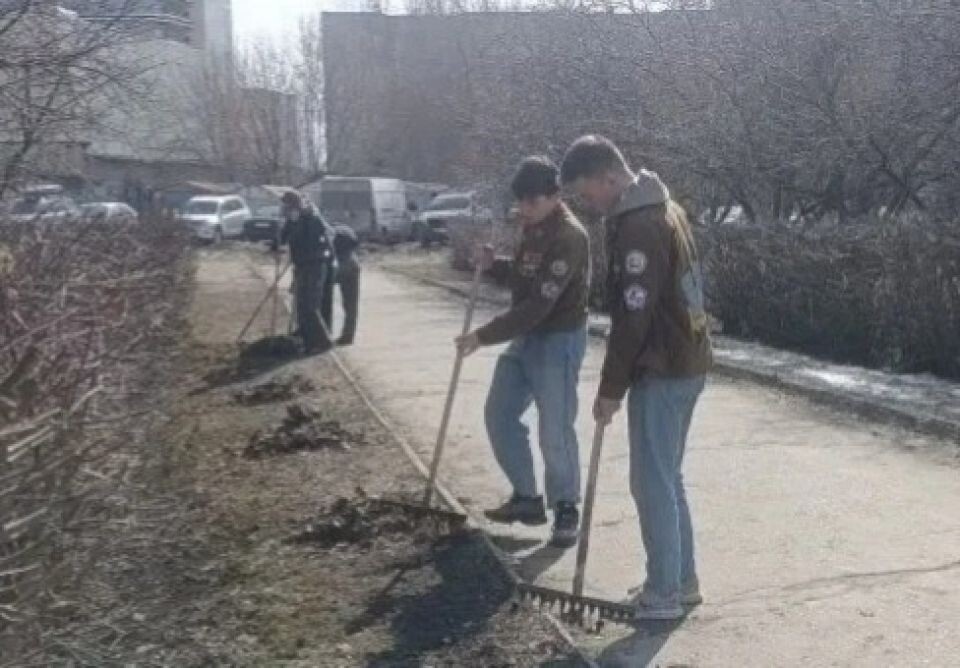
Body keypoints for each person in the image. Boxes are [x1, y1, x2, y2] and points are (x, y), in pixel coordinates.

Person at [560, 135, 712, 620]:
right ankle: (680, 581)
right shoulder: (663, 206)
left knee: (652, 483)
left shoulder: (640, 225)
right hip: (686, 360)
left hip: (663, 367)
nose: (589, 204)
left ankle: (663, 594)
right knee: (667, 478)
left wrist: (610, 390)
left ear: (609, 177)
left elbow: (633, 317)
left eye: (588, 193)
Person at [456, 156, 590, 549]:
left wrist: (483, 336)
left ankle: (566, 507)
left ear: (554, 196)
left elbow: (538, 305)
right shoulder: (531, 228)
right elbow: (523, 278)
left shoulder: (571, 237)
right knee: (499, 413)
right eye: (521, 203)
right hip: (525, 336)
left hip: (557, 339)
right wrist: (493, 265)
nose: (524, 210)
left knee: (555, 428)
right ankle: (527, 499)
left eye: (532, 202)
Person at [279, 191, 333, 355]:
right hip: (301, 265)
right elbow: (284, 237)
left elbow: (310, 239)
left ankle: (323, 341)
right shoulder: (293, 219)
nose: (286, 210)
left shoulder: (312, 219)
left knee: (310, 305)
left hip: (315, 265)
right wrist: (278, 239)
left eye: (288, 207)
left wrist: (299, 222)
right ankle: (304, 333)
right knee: (300, 303)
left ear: (296, 206)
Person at [328, 224, 361, 346]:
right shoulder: (346, 230)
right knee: (351, 305)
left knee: (323, 300)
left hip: (338, 264)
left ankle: (325, 333)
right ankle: (348, 336)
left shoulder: (329, 233)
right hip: (353, 263)